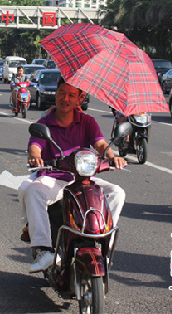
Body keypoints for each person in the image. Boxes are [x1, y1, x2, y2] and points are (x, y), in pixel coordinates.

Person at [19, 78, 127, 273]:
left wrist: (113, 156)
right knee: (34, 191)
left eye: (71, 95)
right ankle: (43, 250)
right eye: (62, 93)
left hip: (82, 178)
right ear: (56, 93)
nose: (65, 98)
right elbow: (35, 146)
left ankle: (103, 240)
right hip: (54, 178)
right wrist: (36, 157)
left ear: (80, 98)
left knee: (117, 192)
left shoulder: (87, 121)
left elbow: (100, 144)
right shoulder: (45, 122)